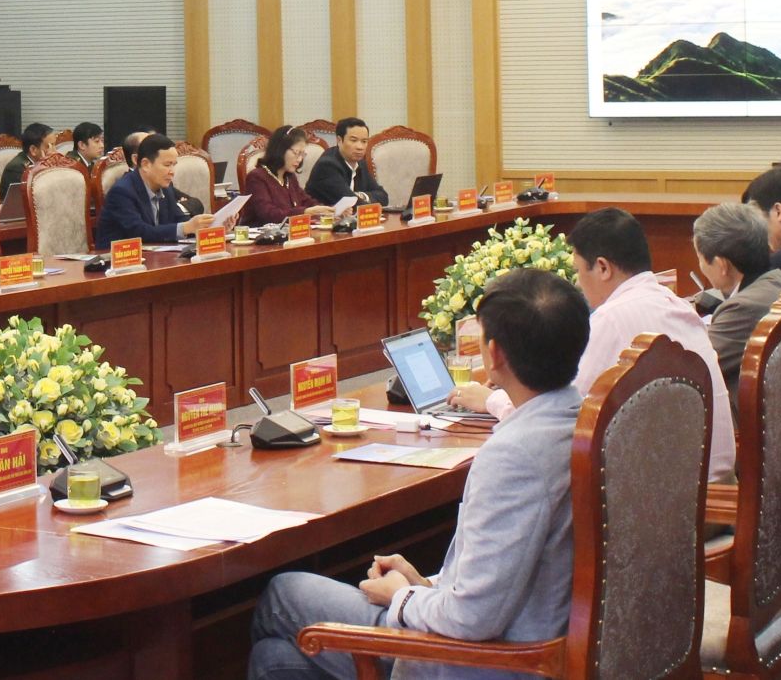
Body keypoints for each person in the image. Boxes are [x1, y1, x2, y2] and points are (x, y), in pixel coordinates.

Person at [248, 268, 588, 680]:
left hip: (486, 661)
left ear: (494, 353)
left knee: (282, 595)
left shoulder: (515, 456)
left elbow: (472, 618)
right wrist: (426, 585)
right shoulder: (583, 421)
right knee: (273, 659)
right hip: (535, 638)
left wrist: (403, 597)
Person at [569, 208, 736, 481]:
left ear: (602, 267)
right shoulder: (680, 307)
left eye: (577, 270)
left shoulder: (610, 318)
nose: (577, 282)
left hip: (670, 498)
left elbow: (566, 411)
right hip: (718, 484)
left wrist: (499, 400)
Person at [692, 202, 781, 419]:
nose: (700, 266)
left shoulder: (742, 308)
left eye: (700, 258)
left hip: (753, 425)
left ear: (721, 265)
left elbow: (692, 370)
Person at [95, 133, 213, 247]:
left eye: (174, 165)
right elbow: (139, 232)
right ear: (145, 164)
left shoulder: (166, 189)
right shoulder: (122, 192)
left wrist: (206, 227)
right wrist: (186, 227)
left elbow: (179, 220)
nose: (172, 172)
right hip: (116, 257)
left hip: (155, 255)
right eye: (167, 165)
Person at [242, 126, 331, 227]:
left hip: (287, 233)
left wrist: (326, 211)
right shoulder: (257, 177)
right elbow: (268, 214)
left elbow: (306, 201)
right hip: (259, 234)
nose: (299, 159)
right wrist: (305, 212)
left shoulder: (289, 177)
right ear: (280, 149)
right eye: (296, 153)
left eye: (302, 154)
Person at [305, 117, 389, 208]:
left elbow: (383, 197)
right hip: (320, 216)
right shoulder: (327, 166)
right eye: (353, 140)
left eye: (364, 141)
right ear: (339, 140)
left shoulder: (360, 163)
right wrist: (359, 197)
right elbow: (351, 203)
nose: (360, 147)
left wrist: (360, 195)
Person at [0, 122, 55, 199]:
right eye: (48, 146)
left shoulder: (49, 163)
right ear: (33, 150)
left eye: (54, 145)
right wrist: (43, 165)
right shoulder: (17, 168)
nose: (54, 151)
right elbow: (35, 197)